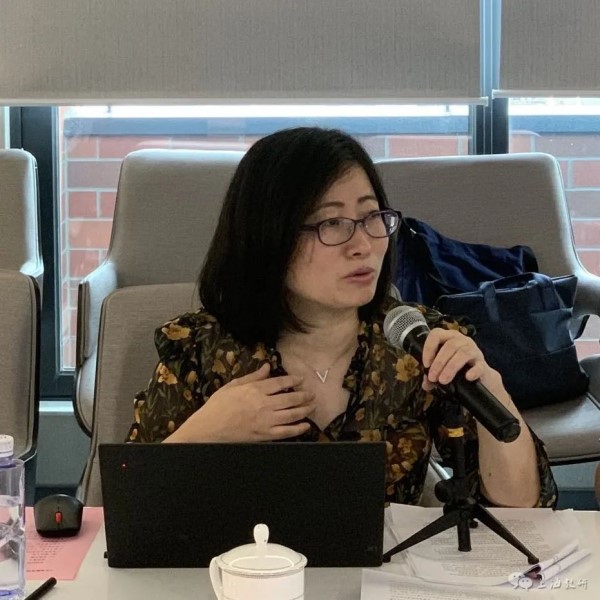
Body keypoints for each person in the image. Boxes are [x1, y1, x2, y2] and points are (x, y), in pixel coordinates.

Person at [127, 127, 557, 508]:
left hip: (385, 569)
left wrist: (490, 385)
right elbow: (128, 505)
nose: (363, 245)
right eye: (331, 223)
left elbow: (521, 505)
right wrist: (207, 432)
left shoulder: (419, 344)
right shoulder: (201, 348)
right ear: (268, 236)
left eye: (371, 218)